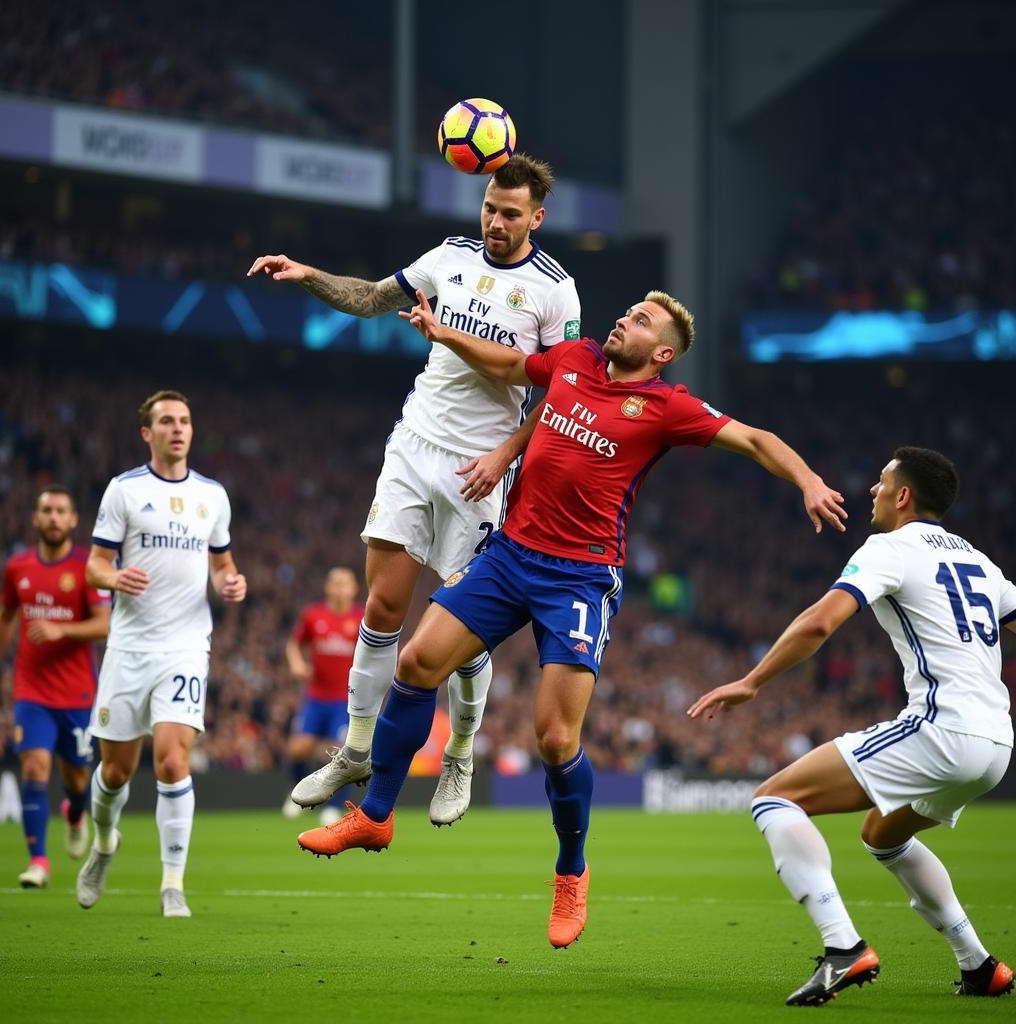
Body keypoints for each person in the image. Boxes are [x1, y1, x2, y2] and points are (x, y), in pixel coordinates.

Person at [297, 289, 847, 950]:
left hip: (579, 577)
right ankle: (376, 814)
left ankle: (570, 870)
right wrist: (443, 334)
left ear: (663, 353)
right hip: (508, 556)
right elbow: (507, 364)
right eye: (628, 311)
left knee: (555, 739)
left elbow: (754, 439)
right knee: (416, 662)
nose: (624, 319)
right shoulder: (576, 359)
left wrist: (809, 480)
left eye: (642, 320)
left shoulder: (668, 407)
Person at [247, 154, 581, 826]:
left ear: (536, 219)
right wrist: (309, 275)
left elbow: (560, 390)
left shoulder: (555, 290)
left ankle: (459, 752)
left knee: (469, 633)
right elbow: (372, 298)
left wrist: (505, 454)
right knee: (382, 606)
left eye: (510, 213)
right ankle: (357, 747)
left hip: (481, 469)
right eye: (490, 207)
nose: (494, 220)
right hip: (414, 447)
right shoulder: (450, 256)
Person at [688, 447, 1014, 1005]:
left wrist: (752, 681)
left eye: (882, 482)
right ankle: (979, 966)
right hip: (997, 743)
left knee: (773, 800)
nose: (873, 491)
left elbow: (819, 623)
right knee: (883, 834)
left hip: (942, 729)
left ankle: (843, 948)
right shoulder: (981, 563)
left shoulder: (891, 547)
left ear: (903, 495)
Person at [77, 390, 247, 918]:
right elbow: (94, 566)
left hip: (185, 645)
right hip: (129, 645)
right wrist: (114, 576)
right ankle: (104, 844)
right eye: (167, 421)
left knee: (173, 761)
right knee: (115, 772)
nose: (178, 428)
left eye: (185, 421)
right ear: (147, 434)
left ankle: (172, 882)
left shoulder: (212, 496)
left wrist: (231, 582)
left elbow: (222, 563)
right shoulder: (124, 491)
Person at [0, 486, 111, 888]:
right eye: (47, 510)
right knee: (35, 765)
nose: (55, 517)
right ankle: (39, 861)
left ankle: (75, 813)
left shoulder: (86, 567)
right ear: (36, 518)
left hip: (77, 693)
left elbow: (105, 623)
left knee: (77, 779)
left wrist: (62, 629)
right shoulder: (18, 567)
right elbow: (6, 616)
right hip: (31, 691)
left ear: (73, 520)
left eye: (62, 510)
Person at [282, 566, 363, 824]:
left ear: (354, 589)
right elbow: (294, 643)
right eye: (335, 583)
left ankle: (334, 805)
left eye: (345, 583)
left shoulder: (362, 618)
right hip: (316, 697)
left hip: (346, 700)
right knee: (298, 748)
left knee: (341, 753)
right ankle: (299, 793)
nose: (339, 588)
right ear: (327, 587)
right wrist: (295, 663)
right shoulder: (313, 615)